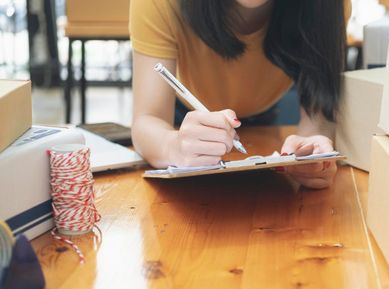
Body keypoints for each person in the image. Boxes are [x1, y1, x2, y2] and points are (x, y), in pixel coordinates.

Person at [130, 0, 349, 189]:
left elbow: (318, 119)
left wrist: (312, 154)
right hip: (185, 121)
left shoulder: (327, 6)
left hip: (266, 111)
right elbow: (148, 120)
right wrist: (173, 146)